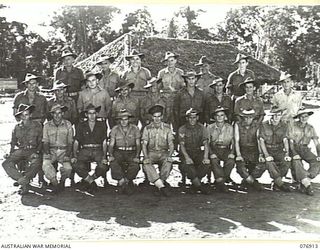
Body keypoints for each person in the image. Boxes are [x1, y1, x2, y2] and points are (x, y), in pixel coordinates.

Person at [2, 104, 42, 195]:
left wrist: (37, 152)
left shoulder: (37, 125)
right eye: (22, 115)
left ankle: (24, 182)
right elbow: (13, 142)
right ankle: (23, 180)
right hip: (20, 151)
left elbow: (41, 141)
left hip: (33, 150)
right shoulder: (17, 127)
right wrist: (10, 153)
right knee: (6, 163)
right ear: (19, 116)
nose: (24, 117)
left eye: (26, 114)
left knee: (36, 162)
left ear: (30, 115)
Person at [72, 104, 108, 193]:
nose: (92, 116)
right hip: (85, 149)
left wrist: (104, 156)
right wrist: (75, 155)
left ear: (96, 114)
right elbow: (76, 141)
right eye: (89, 113)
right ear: (86, 115)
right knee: (75, 164)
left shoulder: (102, 125)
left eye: (94, 113)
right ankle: (91, 182)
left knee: (104, 165)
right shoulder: (81, 125)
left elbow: (104, 142)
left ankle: (89, 180)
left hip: (97, 149)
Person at [142, 105, 175, 197]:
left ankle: (159, 185)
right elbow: (144, 144)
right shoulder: (147, 128)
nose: (157, 119)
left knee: (168, 162)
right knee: (146, 163)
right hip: (151, 152)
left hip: (164, 152)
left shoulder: (167, 128)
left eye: (159, 116)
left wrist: (170, 155)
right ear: (152, 117)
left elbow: (171, 144)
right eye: (155, 116)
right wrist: (146, 157)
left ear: (162, 117)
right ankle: (162, 186)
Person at [258, 106, 292, 192]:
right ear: (271, 115)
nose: (277, 117)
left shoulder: (284, 125)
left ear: (281, 115)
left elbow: (285, 140)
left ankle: (276, 182)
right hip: (268, 149)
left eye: (279, 115)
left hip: (279, 150)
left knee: (287, 161)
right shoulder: (264, 125)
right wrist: (266, 155)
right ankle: (280, 183)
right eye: (275, 115)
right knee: (269, 162)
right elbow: (261, 141)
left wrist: (287, 154)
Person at [287, 108, 320, 196]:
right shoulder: (292, 126)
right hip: (294, 148)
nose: (304, 118)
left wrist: (319, 154)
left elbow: (316, 142)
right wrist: (294, 153)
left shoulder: (311, 128)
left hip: (305, 149)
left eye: (306, 116)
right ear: (298, 117)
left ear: (308, 117)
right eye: (302, 116)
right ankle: (307, 185)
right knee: (297, 162)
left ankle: (305, 180)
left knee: (317, 162)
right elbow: (290, 142)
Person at [42, 104, 73, 194]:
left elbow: (70, 142)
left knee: (68, 168)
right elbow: (46, 141)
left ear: (62, 113)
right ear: (51, 114)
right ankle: (55, 184)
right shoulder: (47, 125)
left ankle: (62, 182)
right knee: (46, 165)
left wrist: (67, 155)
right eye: (54, 113)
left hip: (64, 150)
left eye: (59, 113)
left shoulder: (68, 124)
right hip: (51, 150)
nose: (57, 115)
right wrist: (47, 153)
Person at [178, 108, 211, 194]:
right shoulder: (182, 129)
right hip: (186, 152)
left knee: (206, 164)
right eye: (190, 117)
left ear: (197, 118)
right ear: (187, 118)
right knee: (187, 165)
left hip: (197, 151)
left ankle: (195, 183)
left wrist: (205, 157)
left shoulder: (202, 128)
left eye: (194, 117)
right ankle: (199, 186)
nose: (192, 119)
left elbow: (205, 143)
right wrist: (187, 157)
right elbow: (182, 145)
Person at [109, 109, 141, 195]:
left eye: (125, 119)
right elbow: (111, 144)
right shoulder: (115, 129)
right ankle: (123, 182)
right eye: (121, 119)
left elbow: (138, 144)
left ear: (129, 119)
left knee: (135, 165)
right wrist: (111, 155)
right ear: (119, 120)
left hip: (131, 151)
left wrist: (137, 156)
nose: (123, 121)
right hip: (119, 151)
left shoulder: (135, 129)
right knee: (113, 163)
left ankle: (124, 182)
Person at [234, 109, 265, 191]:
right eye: (246, 117)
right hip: (242, 149)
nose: (248, 119)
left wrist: (261, 154)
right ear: (243, 117)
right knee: (240, 165)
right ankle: (253, 182)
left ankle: (247, 180)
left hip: (254, 149)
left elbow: (258, 140)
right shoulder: (238, 124)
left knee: (262, 164)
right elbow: (236, 140)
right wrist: (238, 154)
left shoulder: (257, 125)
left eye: (250, 117)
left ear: (253, 118)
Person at [207, 107, 235, 192]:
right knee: (214, 160)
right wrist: (211, 153)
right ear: (214, 117)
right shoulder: (209, 127)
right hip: (214, 149)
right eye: (217, 115)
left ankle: (220, 180)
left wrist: (232, 152)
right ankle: (220, 182)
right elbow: (207, 143)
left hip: (225, 149)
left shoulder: (230, 128)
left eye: (222, 115)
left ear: (225, 117)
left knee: (231, 160)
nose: (219, 117)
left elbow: (234, 142)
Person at [157, 51, 185, 124]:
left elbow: (183, 87)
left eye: (172, 60)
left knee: (177, 121)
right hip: (165, 100)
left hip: (177, 99)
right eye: (168, 61)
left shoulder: (180, 73)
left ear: (175, 61)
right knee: (165, 121)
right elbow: (158, 88)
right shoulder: (161, 73)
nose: (170, 63)